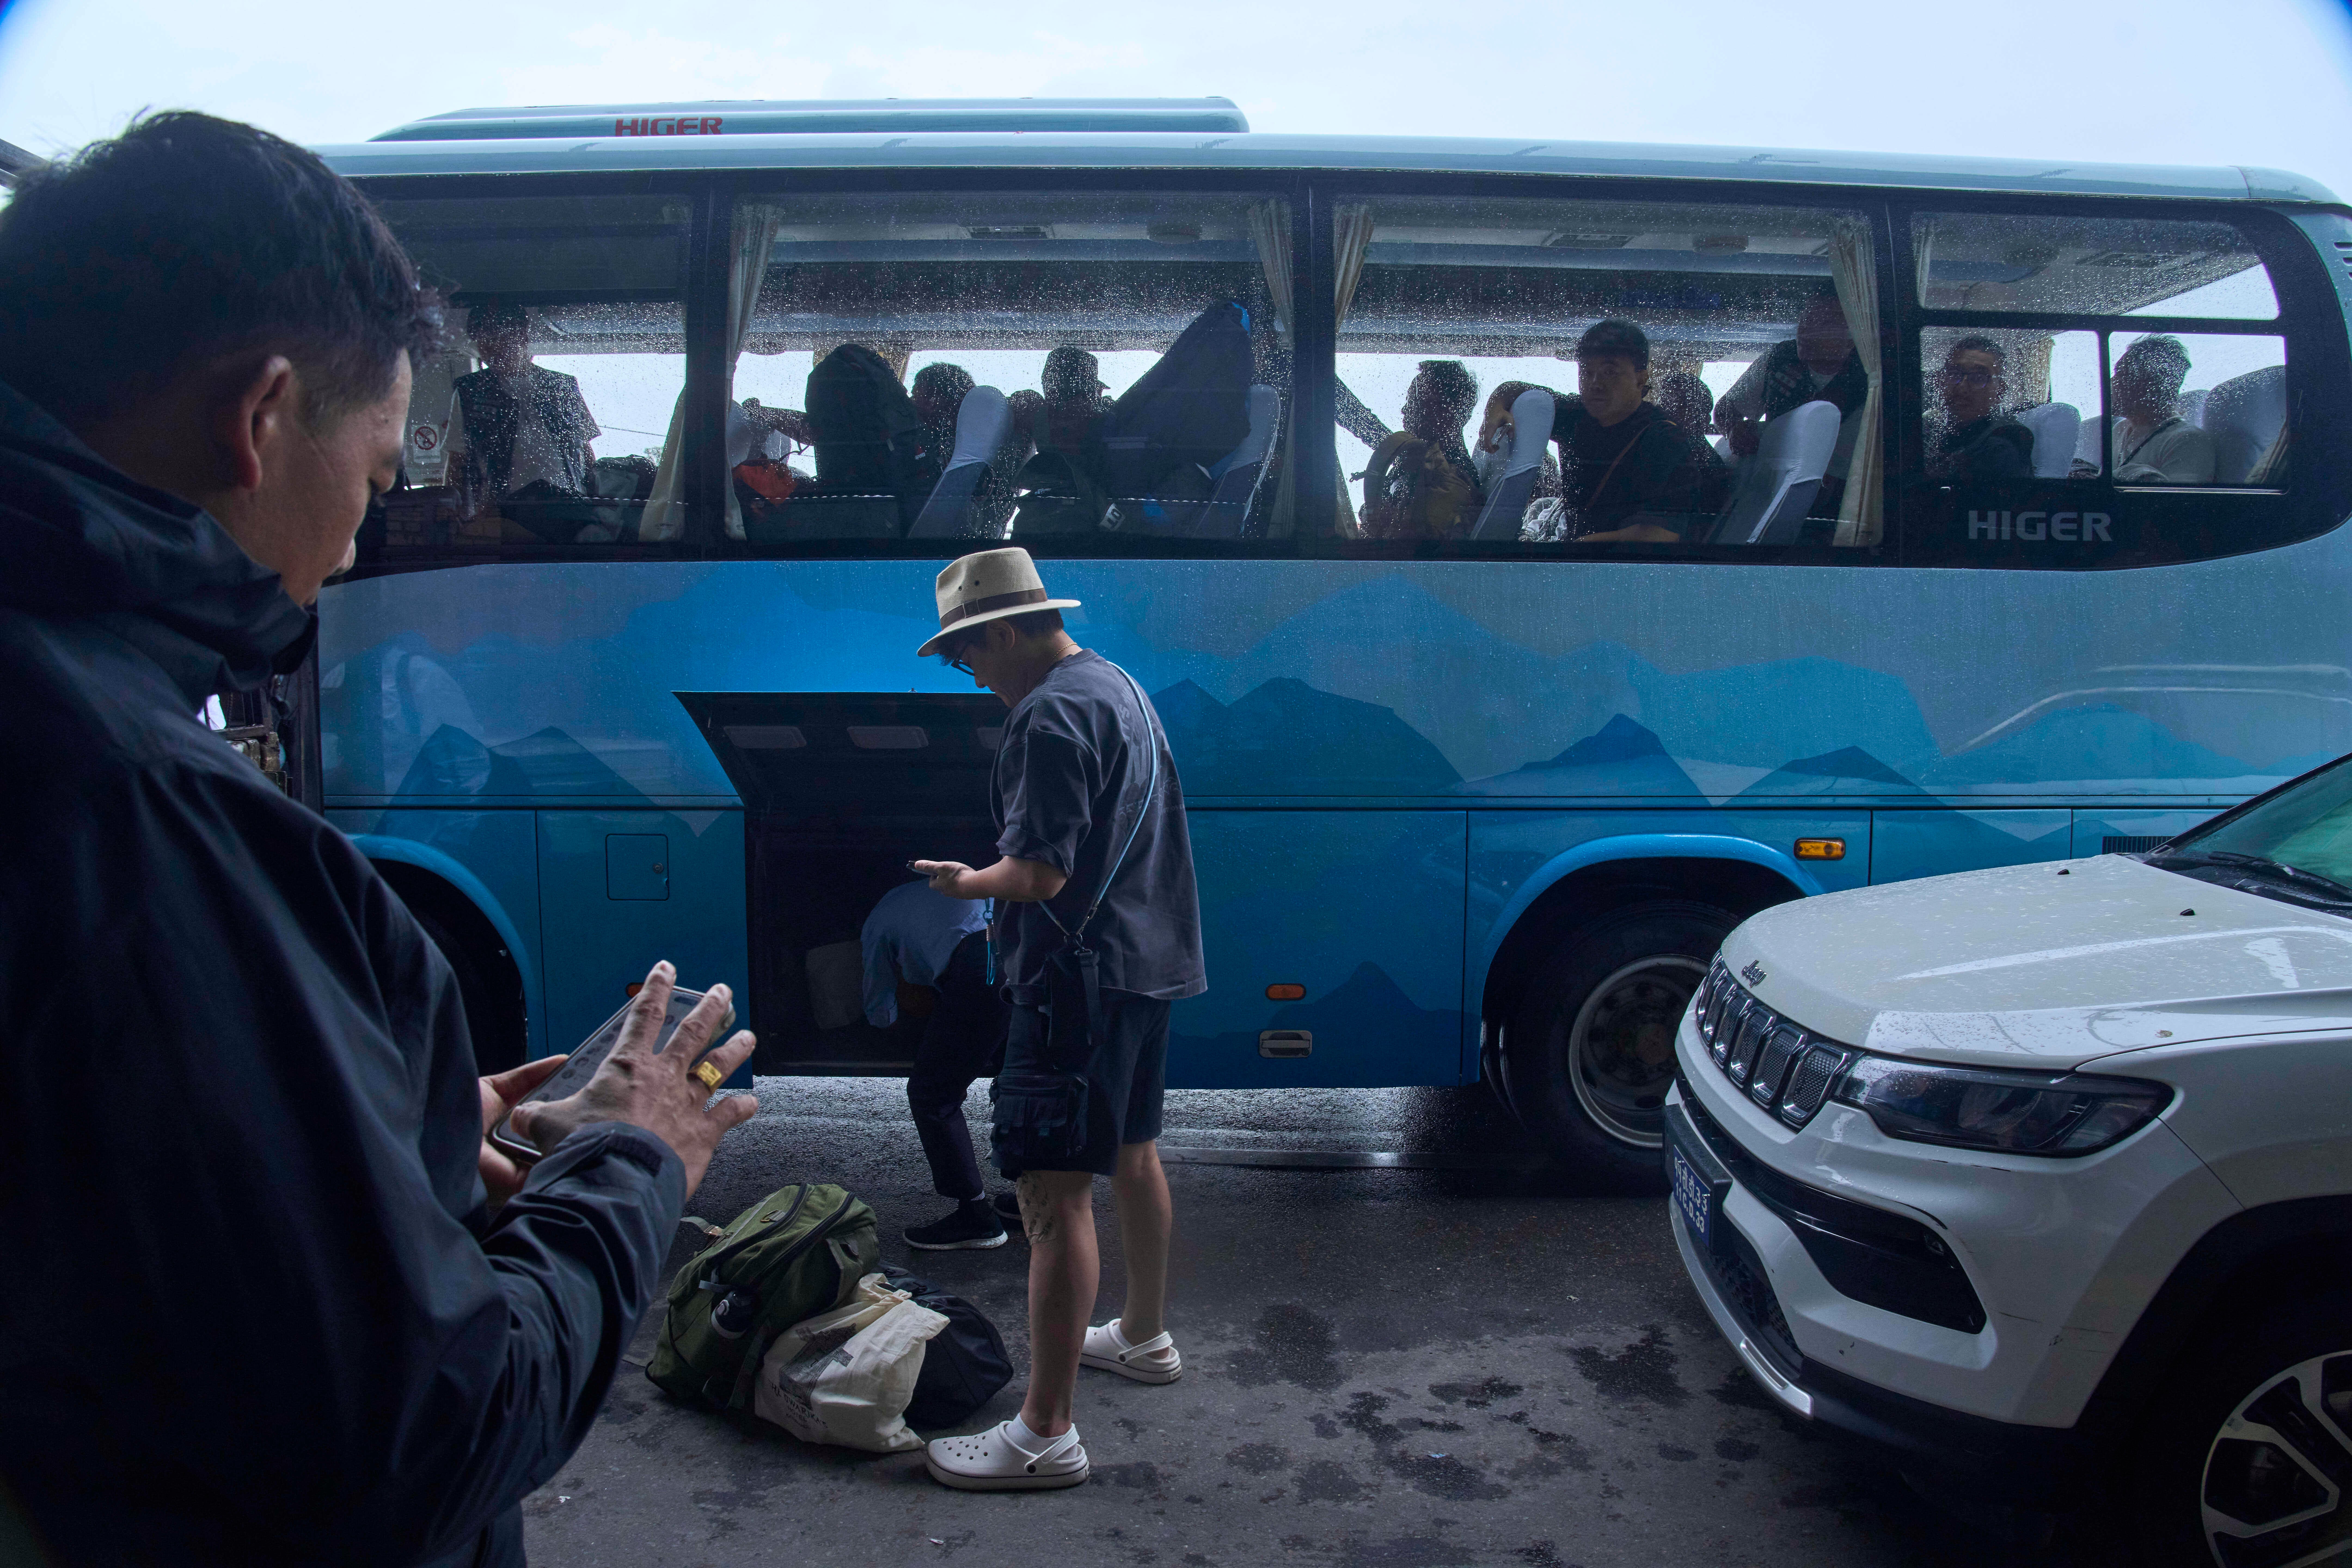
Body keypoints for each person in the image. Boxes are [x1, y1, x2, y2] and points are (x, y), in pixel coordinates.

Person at [0, 112, 760, 1565]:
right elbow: (419, 1435)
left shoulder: (60, 707)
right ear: (261, 417)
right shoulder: (139, 801)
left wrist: (398, 1121)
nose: (358, 538)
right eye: (372, 465)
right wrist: (627, 1162)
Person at [909, 547, 1204, 1493]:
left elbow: (1039, 874)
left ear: (1000, 634)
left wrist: (965, 881)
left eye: (968, 658)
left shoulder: (1047, 717)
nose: (973, 678)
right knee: (1133, 1155)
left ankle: (1044, 1433)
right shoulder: (1113, 685)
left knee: (1051, 1198)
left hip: (1075, 984)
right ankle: (1146, 1336)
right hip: (1147, 967)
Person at [862, 878, 1016, 1249]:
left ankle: (975, 1217)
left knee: (932, 1094)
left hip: (981, 966)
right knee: (1017, 1079)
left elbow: (880, 1008)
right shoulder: (932, 894)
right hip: (1024, 951)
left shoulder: (877, 922)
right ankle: (1032, 1196)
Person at [1535, 319, 1714, 542]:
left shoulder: (1664, 440)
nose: (1595, 384)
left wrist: (1576, 548)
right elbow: (1524, 393)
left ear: (1642, 379)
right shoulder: (1577, 416)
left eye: (1610, 373)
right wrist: (1495, 409)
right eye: (1587, 373)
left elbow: (1661, 534)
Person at [446, 301, 601, 525]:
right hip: (499, 514)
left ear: (521, 336)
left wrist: (594, 504)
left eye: (498, 337)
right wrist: (457, 514)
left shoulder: (563, 386)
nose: (490, 347)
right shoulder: (469, 392)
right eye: (483, 340)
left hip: (568, 508)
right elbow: (457, 461)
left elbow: (585, 452)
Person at [1360, 359, 1483, 539]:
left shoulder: (1443, 476)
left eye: (1414, 402)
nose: (1404, 410)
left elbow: (1404, 546)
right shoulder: (1422, 460)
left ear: (1445, 412)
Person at [2110, 335, 2217, 484]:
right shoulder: (2119, 430)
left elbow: (2179, 503)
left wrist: (2125, 474)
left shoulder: (2188, 441)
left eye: (2122, 375)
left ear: (2148, 385)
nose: (2112, 382)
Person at [1926, 336, 2034, 482]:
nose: (1962, 388)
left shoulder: (2000, 449)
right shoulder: (1940, 428)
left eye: (1979, 378)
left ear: (2000, 391)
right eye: (1953, 375)